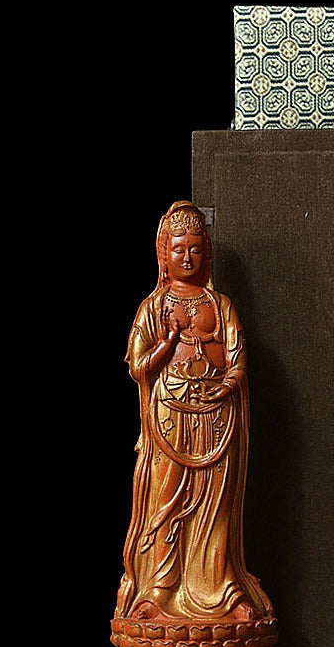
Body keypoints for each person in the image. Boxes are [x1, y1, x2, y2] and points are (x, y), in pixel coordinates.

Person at [114, 201, 272, 622]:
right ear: (164, 254)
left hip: (217, 419)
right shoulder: (153, 308)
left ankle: (222, 589)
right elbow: (137, 367)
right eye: (179, 249)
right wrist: (167, 344)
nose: (187, 257)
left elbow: (238, 360)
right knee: (165, 503)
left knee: (215, 509)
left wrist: (226, 385)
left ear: (208, 252)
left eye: (196, 249)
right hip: (169, 419)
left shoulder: (220, 305)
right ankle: (158, 591)